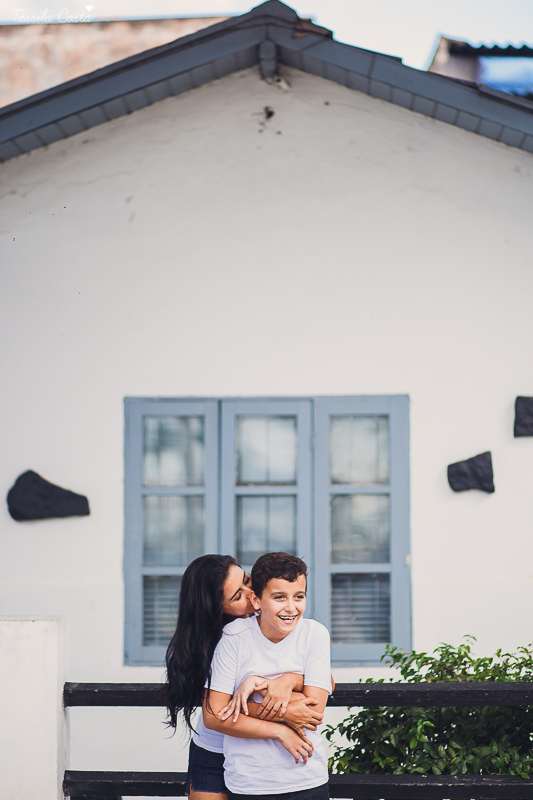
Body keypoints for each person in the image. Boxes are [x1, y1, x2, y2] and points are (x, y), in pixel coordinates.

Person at [164, 554, 325, 800]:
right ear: (216, 607)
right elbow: (216, 713)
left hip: (262, 757)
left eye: (247, 580)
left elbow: (324, 682)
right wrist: (283, 717)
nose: (251, 593)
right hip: (215, 747)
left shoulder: (289, 626)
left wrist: (287, 680)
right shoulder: (222, 641)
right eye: (238, 595)